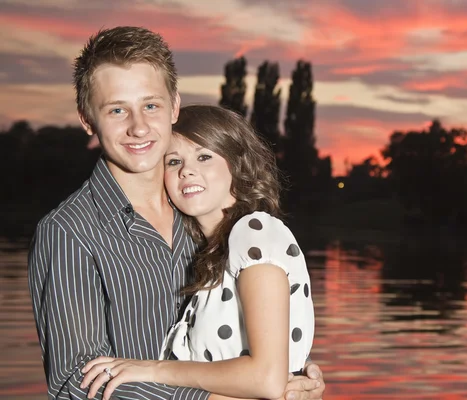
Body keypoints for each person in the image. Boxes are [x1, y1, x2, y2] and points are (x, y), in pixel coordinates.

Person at [28, 26, 325, 400]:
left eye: (150, 105)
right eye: (117, 110)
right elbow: (76, 381)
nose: (138, 127)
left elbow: (243, 337)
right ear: (88, 120)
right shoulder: (68, 231)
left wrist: (295, 377)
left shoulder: (203, 215)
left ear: (174, 106)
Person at [80, 104, 315, 400]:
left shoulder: (253, 230)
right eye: (173, 161)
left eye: (204, 156)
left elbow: (267, 378)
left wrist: (153, 370)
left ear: (236, 164)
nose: (187, 170)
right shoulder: (212, 253)